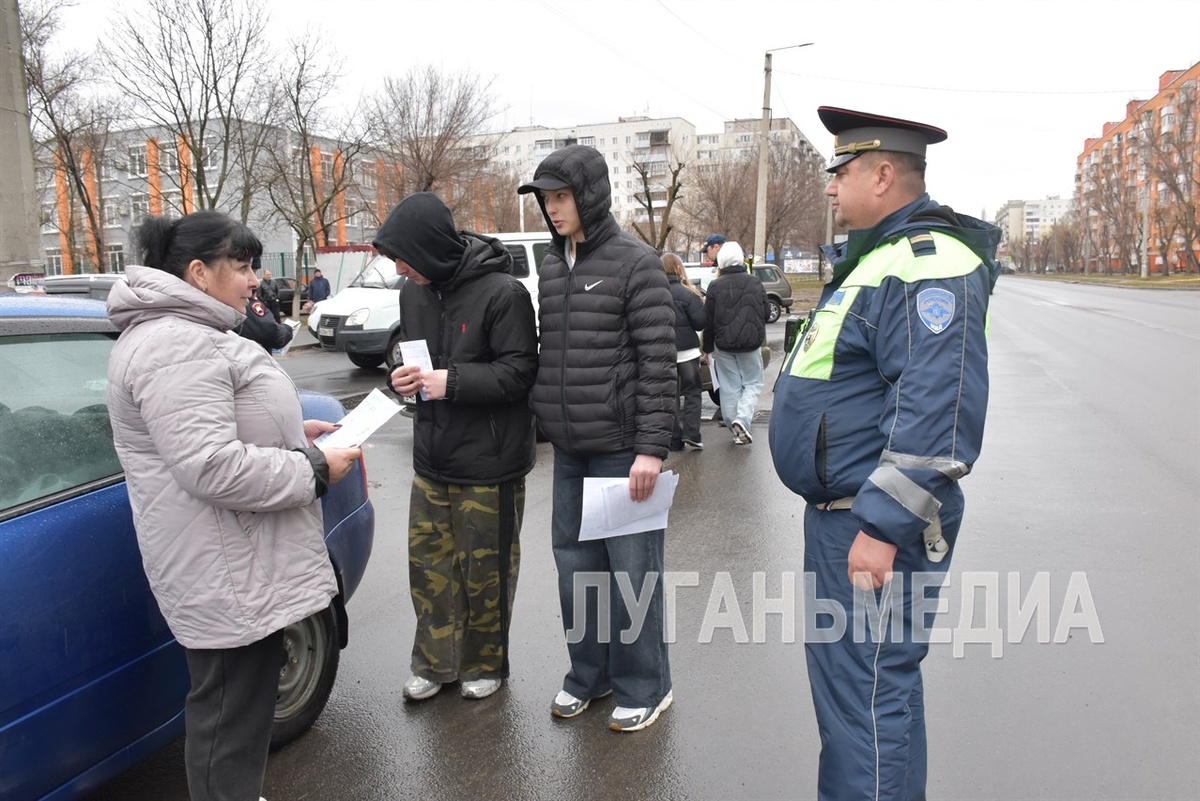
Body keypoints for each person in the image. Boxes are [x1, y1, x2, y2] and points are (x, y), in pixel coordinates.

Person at [768, 107, 1000, 800]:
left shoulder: (929, 263)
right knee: (872, 696)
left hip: (869, 524)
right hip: (848, 518)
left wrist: (881, 527)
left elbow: (938, 410)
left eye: (840, 172)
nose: (830, 187)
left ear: (883, 174)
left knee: (863, 703)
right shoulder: (879, 259)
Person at [105, 210, 363, 801]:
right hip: (224, 567)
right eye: (242, 266)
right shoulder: (174, 344)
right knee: (229, 715)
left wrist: (295, 435)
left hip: (237, 560)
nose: (254, 279)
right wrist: (313, 469)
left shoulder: (192, 334)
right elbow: (210, 465)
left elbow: (218, 429)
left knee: (240, 711)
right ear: (199, 272)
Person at [517, 144, 677, 733]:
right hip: (570, 450)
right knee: (576, 571)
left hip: (622, 448)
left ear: (588, 195)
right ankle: (591, 674)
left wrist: (650, 449)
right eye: (546, 199)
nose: (553, 209)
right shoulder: (552, 264)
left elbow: (658, 362)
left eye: (561, 197)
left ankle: (647, 686)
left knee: (632, 575)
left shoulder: (636, 263)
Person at [375, 192, 538, 702]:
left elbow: (520, 372)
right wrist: (400, 377)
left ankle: (484, 664)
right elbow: (412, 358)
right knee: (429, 570)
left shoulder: (504, 292)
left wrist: (454, 381)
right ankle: (434, 664)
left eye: (404, 258)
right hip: (432, 458)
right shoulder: (413, 293)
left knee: (486, 575)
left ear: (429, 248)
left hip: (489, 463)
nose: (399, 269)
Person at [702, 240, 769, 445]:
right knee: (753, 383)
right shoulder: (754, 282)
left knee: (729, 387)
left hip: (723, 344)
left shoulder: (715, 286)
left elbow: (708, 320)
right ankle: (742, 419)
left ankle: (735, 428)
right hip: (750, 342)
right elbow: (766, 312)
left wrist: (707, 348)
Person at [662, 252, 707, 451]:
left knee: (669, 396)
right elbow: (700, 323)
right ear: (679, 268)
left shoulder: (654, 294)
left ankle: (673, 440)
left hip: (664, 353)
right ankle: (691, 433)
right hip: (688, 352)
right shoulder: (688, 294)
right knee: (692, 392)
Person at [237, 257, 295, 353]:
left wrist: (276, 299)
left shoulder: (273, 282)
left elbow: (277, 291)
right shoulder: (247, 305)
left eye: (254, 272)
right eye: (243, 271)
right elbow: (273, 334)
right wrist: (287, 329)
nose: (255, 282)